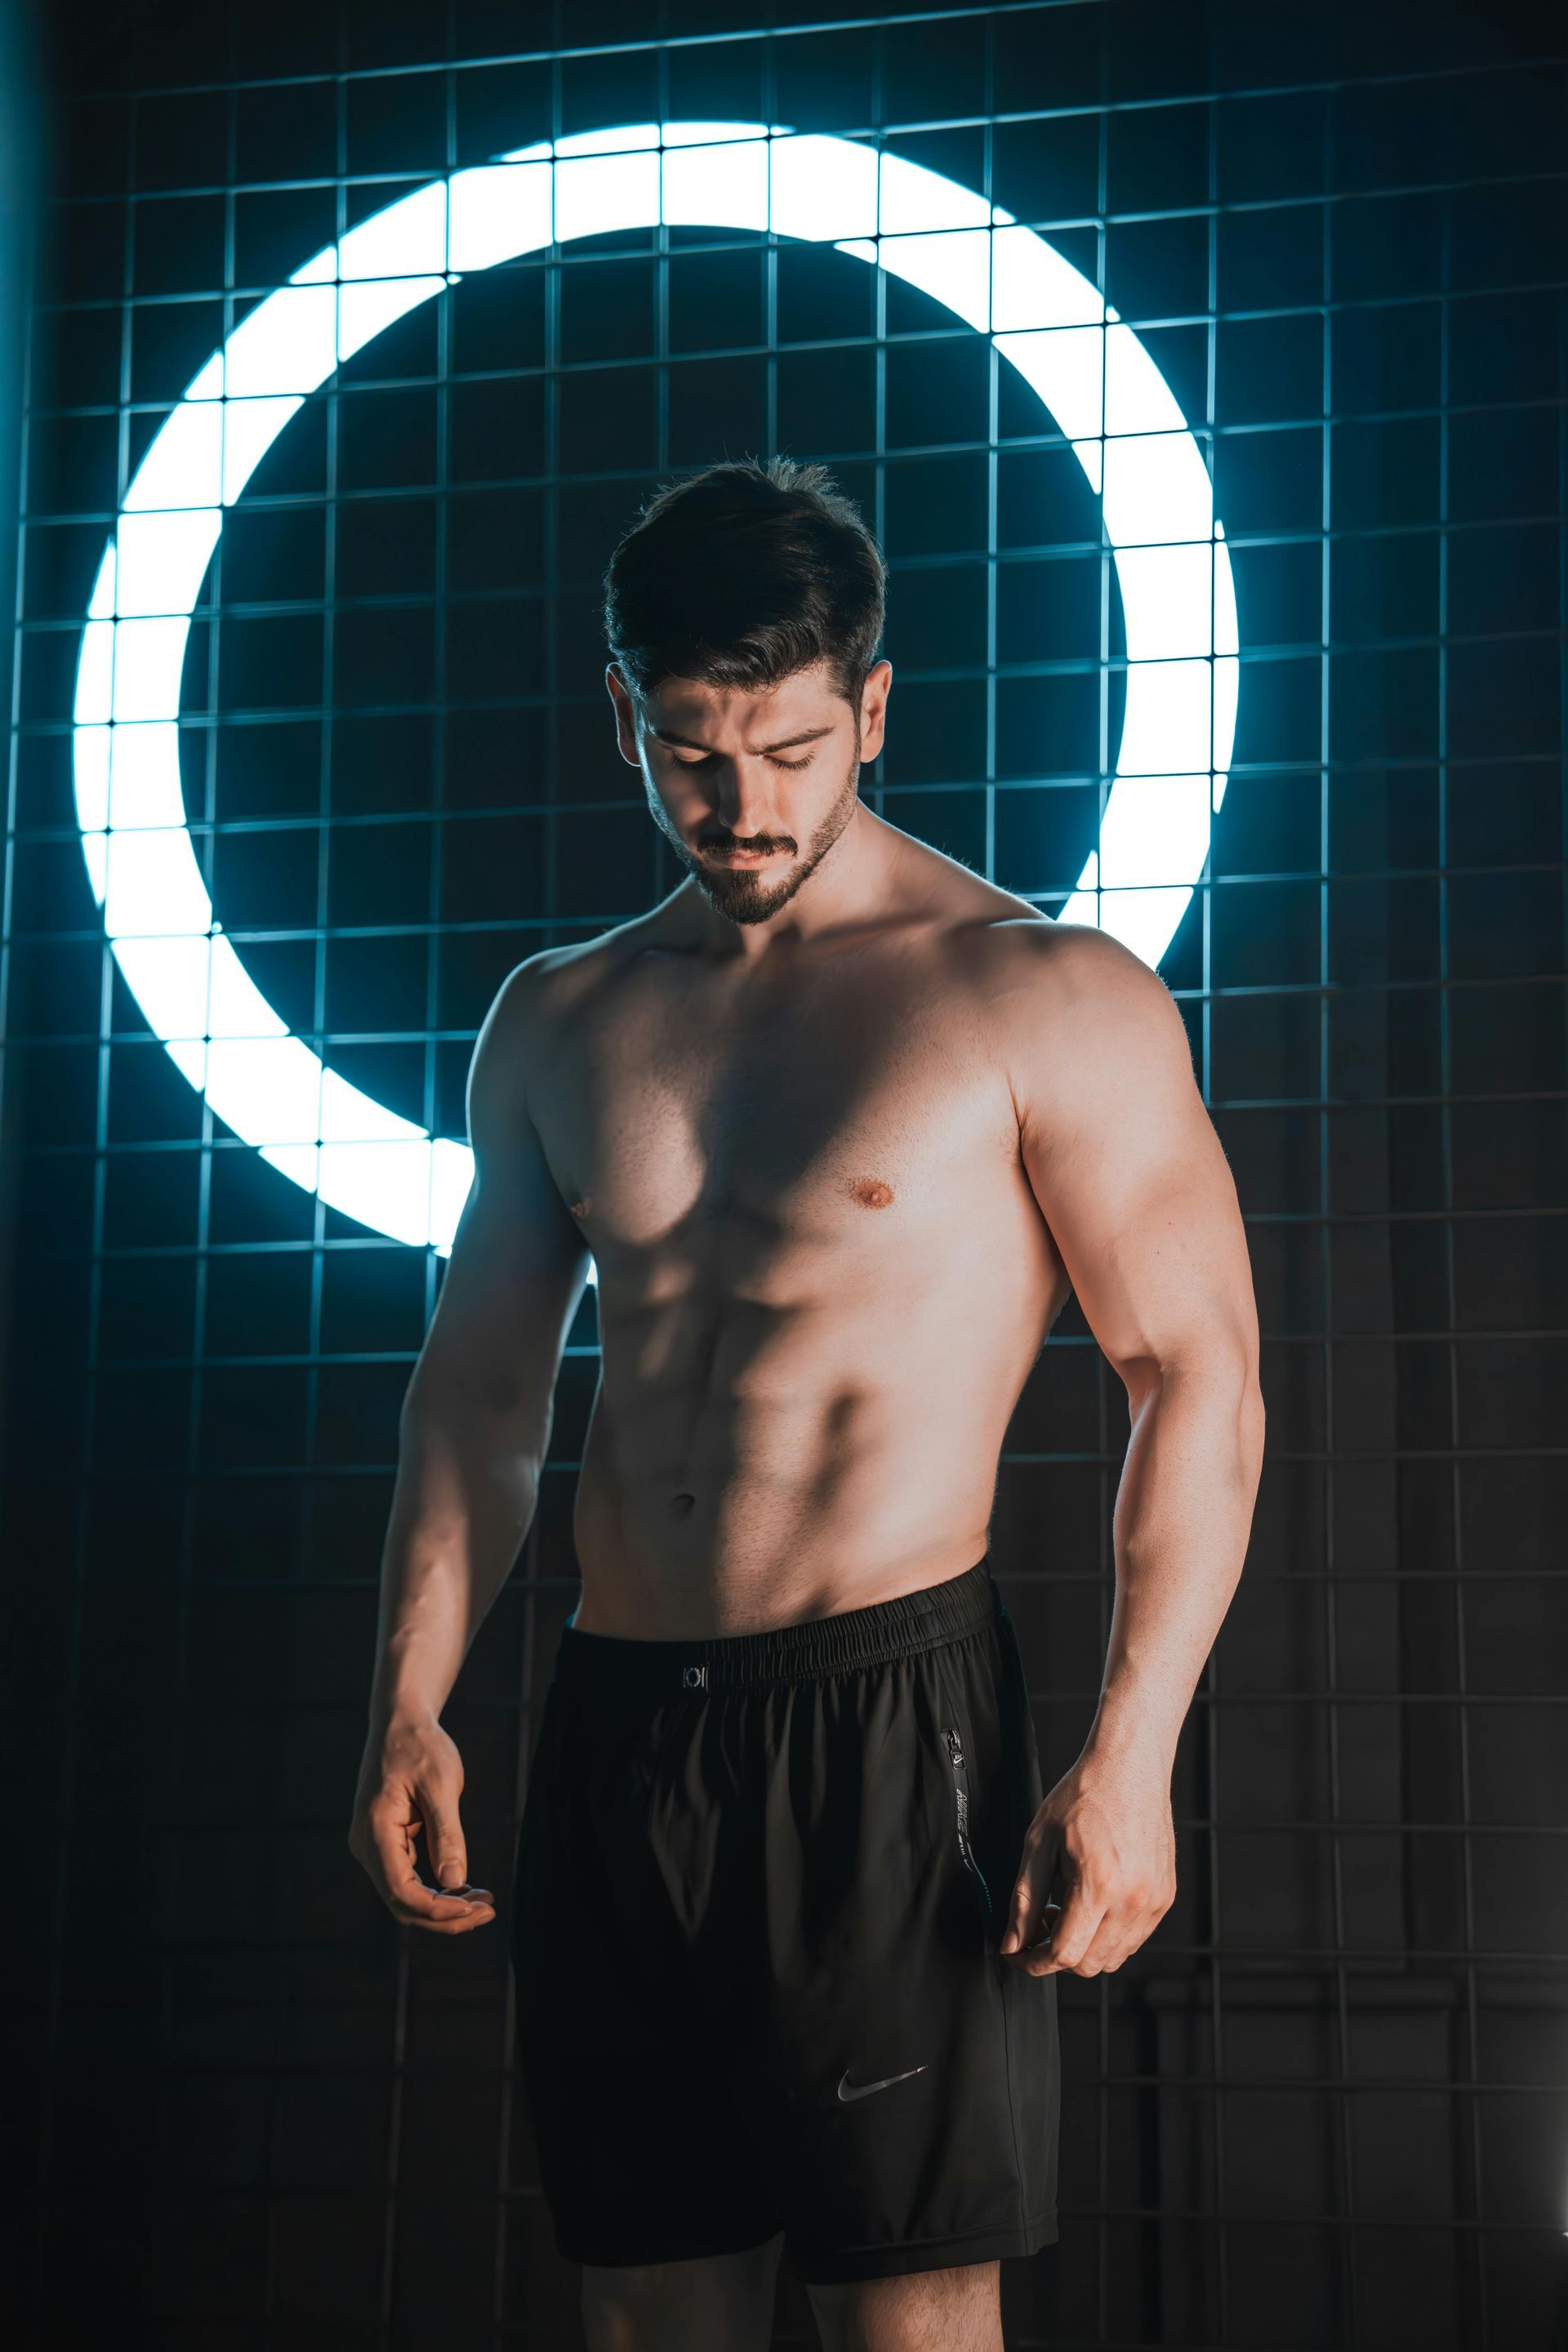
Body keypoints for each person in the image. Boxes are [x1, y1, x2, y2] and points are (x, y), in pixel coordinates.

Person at [349, 457, 1264, 2352]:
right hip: (619, 1725)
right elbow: (482, 1396)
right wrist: (409, 1700)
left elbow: (1201, 1378)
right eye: (691, 753)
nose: (742, 805)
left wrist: (1134, 1753)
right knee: (644, 2310)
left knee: (907, 2325)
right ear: (626, 714)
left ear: (873, 707)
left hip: (886, 1723)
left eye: (786, 748)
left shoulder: (1039, 994)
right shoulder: (561, 1018)